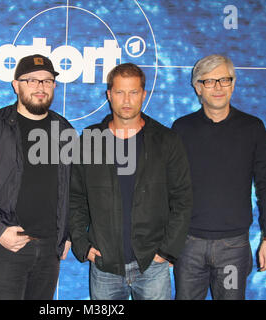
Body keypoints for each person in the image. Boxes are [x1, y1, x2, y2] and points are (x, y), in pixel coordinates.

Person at [69, 63, 193, 300]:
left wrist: (166, 251)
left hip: (152, 265)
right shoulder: (89, 140)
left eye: (133, 92)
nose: (127, 100)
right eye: (119, 92)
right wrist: (82, 245)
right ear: (109, 95)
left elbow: (183, 200)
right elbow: (75, 198)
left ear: (144, 95)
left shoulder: (166, 141)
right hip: (105, 267)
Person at [0, 54, 72, 300]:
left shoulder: (64, 129)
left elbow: (72, 187)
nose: (40, 87)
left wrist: (67, 233)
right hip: (4, 247)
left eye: (47, 81)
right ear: (16, 85)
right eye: (31, 80)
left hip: (49, 249)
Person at [172, 54, 266, 300]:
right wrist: (168, 242)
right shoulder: (181, 129)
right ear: (198, 87)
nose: (218, 87)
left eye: (224, 80)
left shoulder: (252, 128)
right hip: (189, 246)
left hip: (233, 248)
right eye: (209, 81)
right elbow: (169, 188)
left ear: (233, 84)